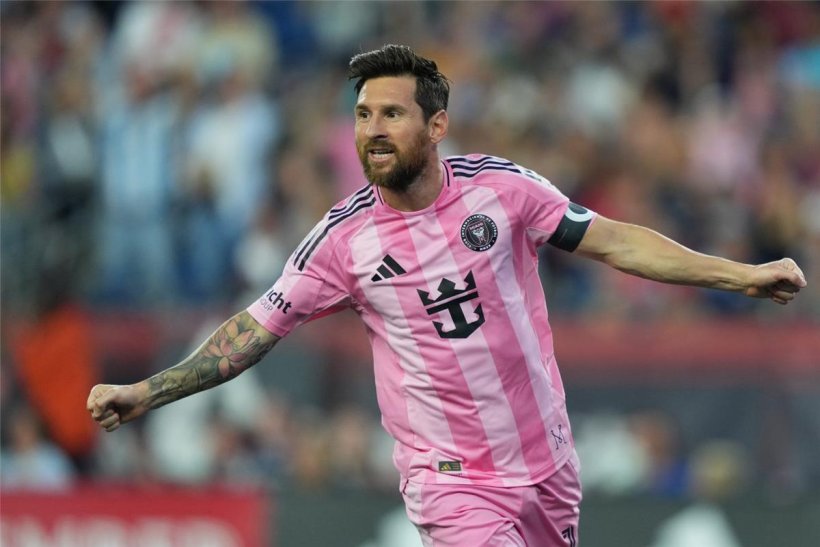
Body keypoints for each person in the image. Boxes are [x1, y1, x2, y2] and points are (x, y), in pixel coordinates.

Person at [88, 45, 806, 546]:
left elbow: (617, 242)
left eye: (391, 114)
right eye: (363, 115)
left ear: (436, 126)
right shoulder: (342, 241)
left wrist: (740, 275)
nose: (373, 130)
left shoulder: (504, 190)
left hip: (549, 463)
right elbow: (251, 332)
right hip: (452, 481)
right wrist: (146, 391)